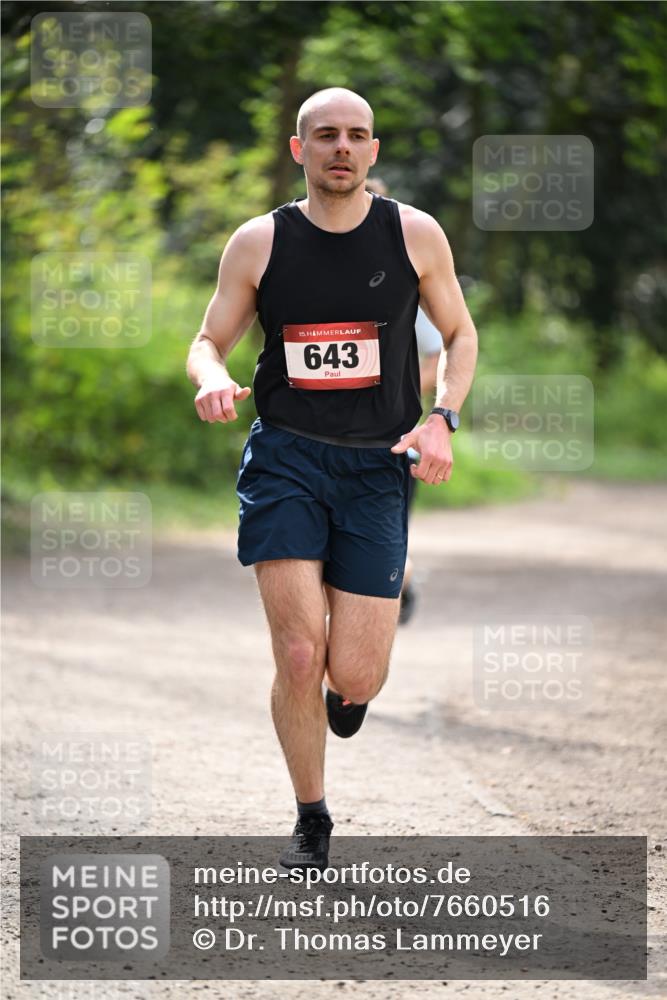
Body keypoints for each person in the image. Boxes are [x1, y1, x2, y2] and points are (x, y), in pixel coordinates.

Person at [186, 87, 478, 871]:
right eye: (324, 136)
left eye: (355, 136)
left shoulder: (413, 234)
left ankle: (347, 698)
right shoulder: (258, 242)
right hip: (285, 456)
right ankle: (310, 817)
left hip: (377, 466)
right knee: (294, 652)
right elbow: (208, 338)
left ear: (373, 151)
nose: (340, 148)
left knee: (353, 672)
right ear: (299, 150)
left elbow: (457, 332)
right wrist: (209, 375)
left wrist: (440, 417)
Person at [365, 176, 444, 625]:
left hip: (394, 438)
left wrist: (399, 393)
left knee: (387, 540)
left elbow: (439, 353)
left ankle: (403, 581)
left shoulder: (405, 283)